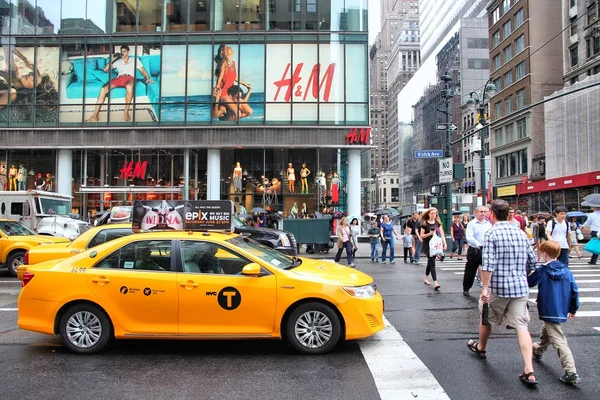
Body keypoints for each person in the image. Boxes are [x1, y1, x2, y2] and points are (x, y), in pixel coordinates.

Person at [467, 199, 538, 385]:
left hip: (498, 287)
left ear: (491, 213)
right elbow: (532, 262)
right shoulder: (521, 233)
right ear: (508, 214)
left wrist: (484, 288)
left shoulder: (492, 233)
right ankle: (529, 369)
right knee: (521, 326)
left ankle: (481, 348)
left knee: (486, 317)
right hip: (519, 288)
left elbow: (488, 264)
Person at [528, 240, 580, 385]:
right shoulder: (566, 271)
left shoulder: (543, 270)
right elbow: (574, 290)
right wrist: (573, 308)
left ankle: (571, 371)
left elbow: (529, 282)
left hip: (547, 307)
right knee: (549, 331)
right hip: (561, 308)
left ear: (544, 254)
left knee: (558, 339)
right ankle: (537, 350)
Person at [86, 45, 154, 123]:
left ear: (128, 52)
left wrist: (148, 78)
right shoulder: (118, 61)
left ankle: (126, 111)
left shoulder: (135, 60)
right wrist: (112, 59)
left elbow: (143, 71)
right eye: (121, 52)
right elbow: (105, 69)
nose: (123, 53)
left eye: (124, 51)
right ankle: (95, 116)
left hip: (130, 78)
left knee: (129, 86)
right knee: (103, 89)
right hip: (119, 78)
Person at [213, 45, 252, 121]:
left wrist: (245, 84)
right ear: (225, 52)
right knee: (237, 112)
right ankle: (233, 127)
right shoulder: (224, 62)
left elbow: (234, 77)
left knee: (249, 111)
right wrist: (217, 87)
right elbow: (220, 76)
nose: (230, 48)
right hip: (223, 92)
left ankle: (229, 119)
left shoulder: (233, 63)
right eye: (228, 48)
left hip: (231, 90)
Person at [463, 205, 492, 296]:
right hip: (474, 249)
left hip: (486, 249)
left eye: (485, 212)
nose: (483, 214)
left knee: (488, 269)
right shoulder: (472, 224)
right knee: (470, 270)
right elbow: (469, 237)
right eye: (481, 212)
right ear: (476, 212)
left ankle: (487, 287)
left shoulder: (488, 224)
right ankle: (466, 288)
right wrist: (477, 244)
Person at [420, 207, 446, 290]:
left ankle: (426, 278)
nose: (433, 215)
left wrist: (444, 243)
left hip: (435, 245)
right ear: (428, 214)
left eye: (435, 213)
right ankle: (435, 282)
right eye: (432, 213)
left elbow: (442, 234)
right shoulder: (424, 224)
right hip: (427, 245)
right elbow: (421, 235)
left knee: (430, 262)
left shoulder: (438, 223)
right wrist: (429, 234)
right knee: (432, 262)